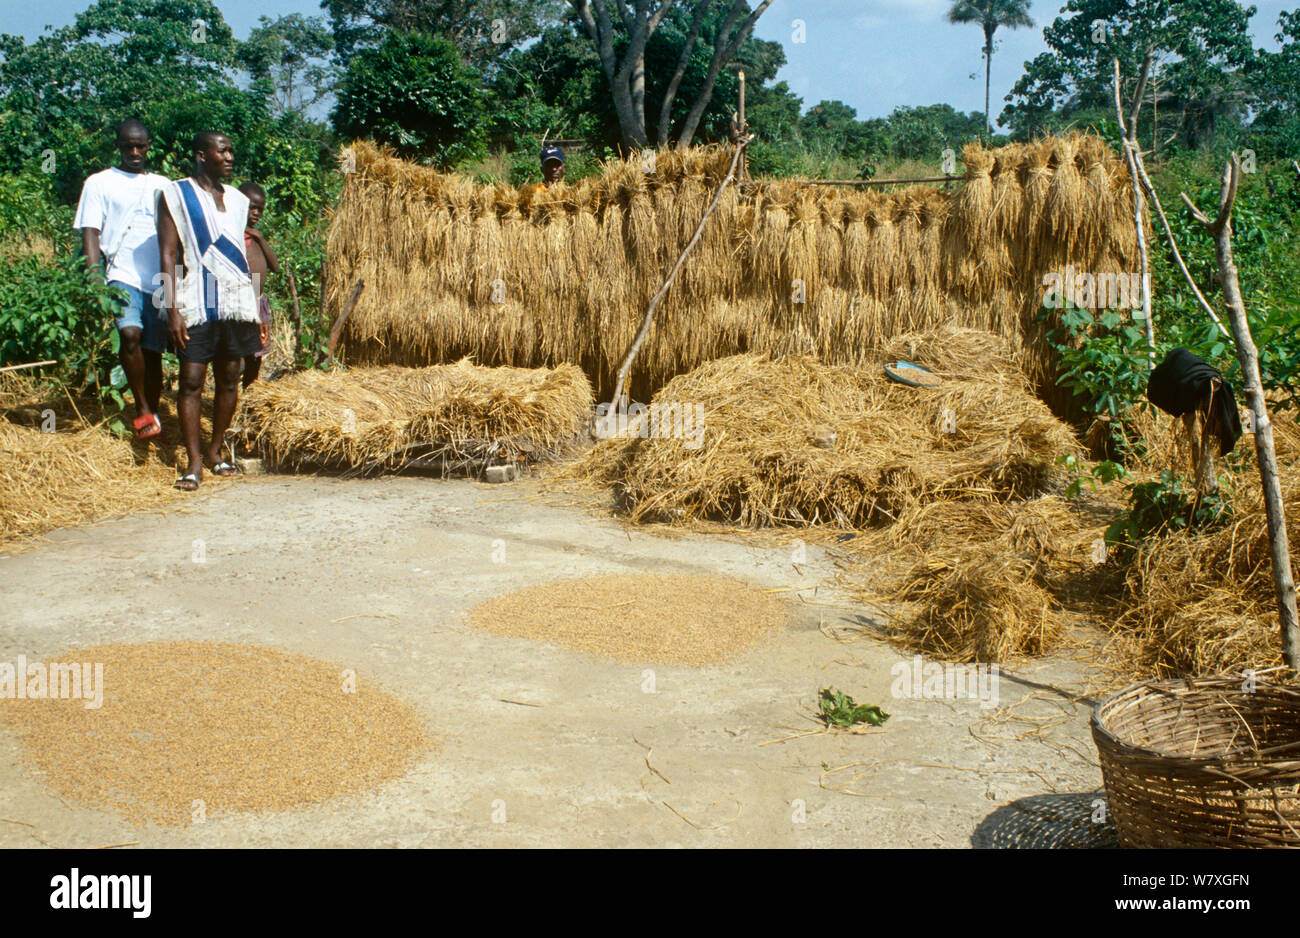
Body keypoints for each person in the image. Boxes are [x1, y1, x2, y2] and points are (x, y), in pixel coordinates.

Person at [156, 131, 260, 491]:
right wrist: (171, 309)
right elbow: (168, 254)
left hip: (235, 303)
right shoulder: (176, 194)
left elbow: (242, 256)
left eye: (231, 149)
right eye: (223, 150)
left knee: (230, 377)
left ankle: (215, 452)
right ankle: (193, 462)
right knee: (191, 381)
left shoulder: (236, 199)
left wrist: (256, 307)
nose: (230, 156)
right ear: (202, 155)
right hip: (196, 302)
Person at [73, 119, 171, 440]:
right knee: (129, 335)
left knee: (154, 351)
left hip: (158, 279)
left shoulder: (164, 185)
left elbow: (179, 237)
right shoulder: (99, 183)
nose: (134, 151)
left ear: (149, 146)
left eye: (140, 145)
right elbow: (91, 232)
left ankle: (152, 415)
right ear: (118, 145)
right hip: (120, 275)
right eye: (128, 145)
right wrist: (94, 279)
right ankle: (141, 406)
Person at [236, 182, 279, 388]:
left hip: (258, 301)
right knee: (236, 355)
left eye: (260, 209)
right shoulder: (233, 235)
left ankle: (250, 393)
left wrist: (260, 239)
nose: (256, 213)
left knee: (256, 354)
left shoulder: (255, 237)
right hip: (238, 302)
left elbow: (276, 267)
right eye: (252, 207)